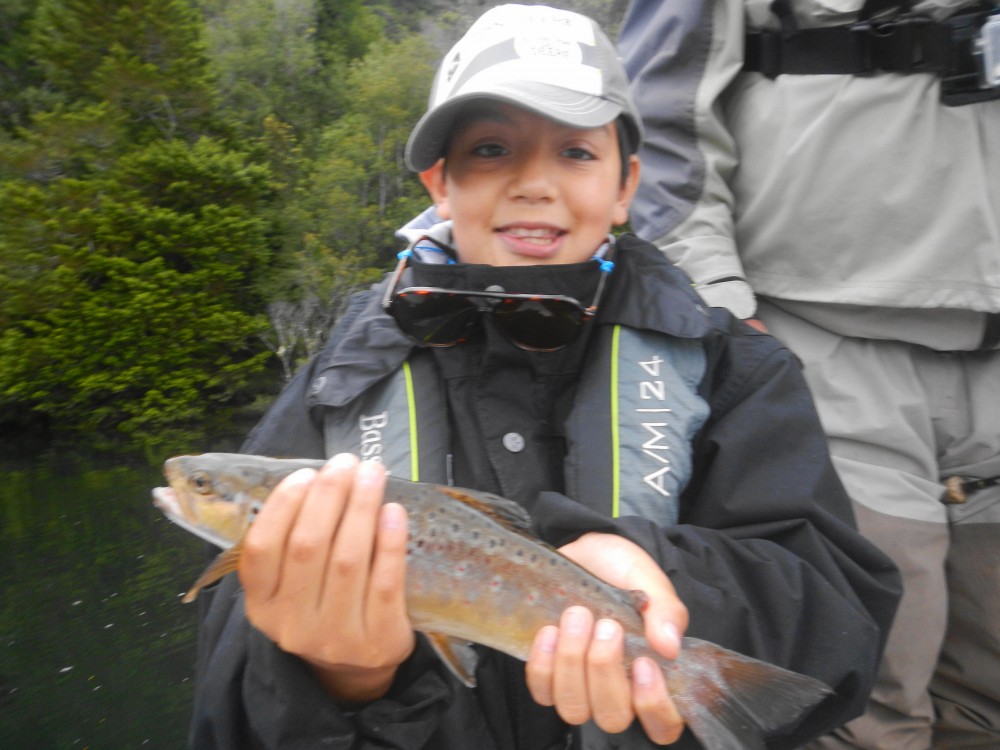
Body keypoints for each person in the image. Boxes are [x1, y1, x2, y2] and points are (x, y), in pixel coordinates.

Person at [188, 5, 900, 749]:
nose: (534, 182)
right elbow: (226, 704)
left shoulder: (735, 368)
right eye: (491, 149)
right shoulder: (339, 381)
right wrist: (339, 675)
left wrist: (662, 576)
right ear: (439, 183)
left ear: (626, 185)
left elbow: (838, 623)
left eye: (576, 151)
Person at [618, 0, 1000, 748]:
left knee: (987, 697)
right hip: (825, 346)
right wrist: (728, 324)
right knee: (861, 704)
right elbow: (662, 115)